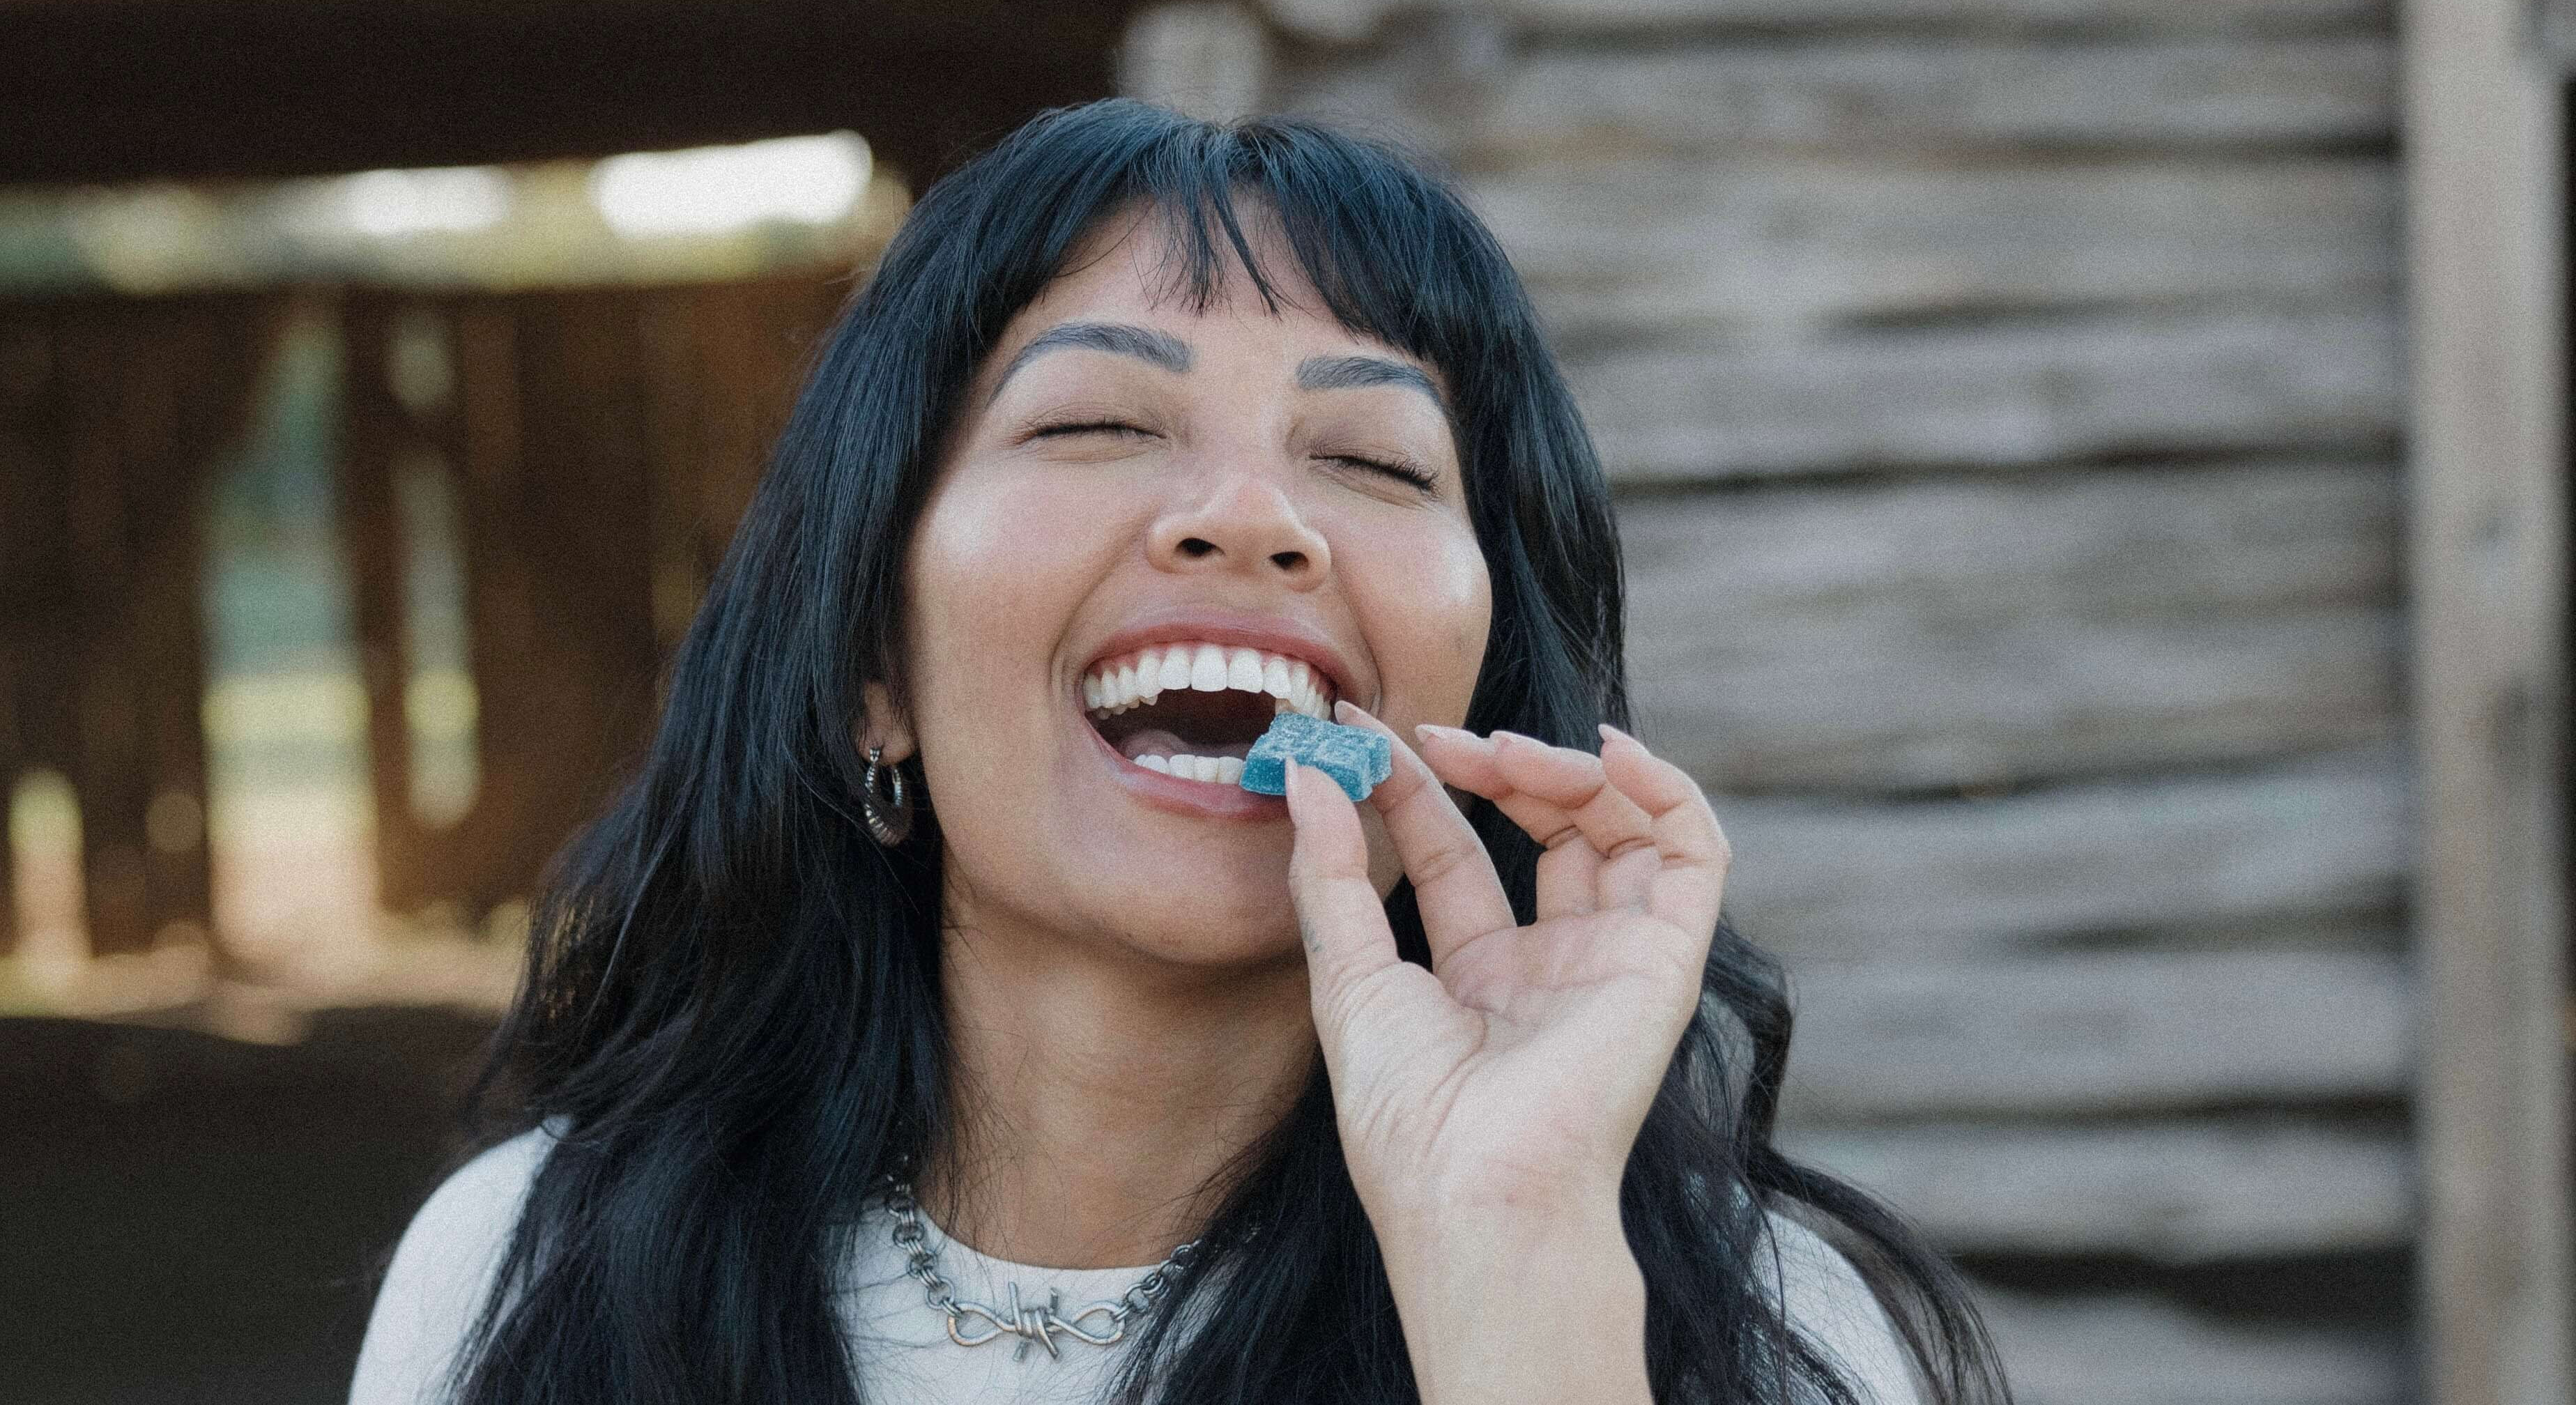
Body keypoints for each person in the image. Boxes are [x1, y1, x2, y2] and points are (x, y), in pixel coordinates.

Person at [348, 100, 2009, 1405]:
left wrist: (1512, 1268)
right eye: (1095, 424)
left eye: (1371, 457)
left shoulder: (1769, 1327)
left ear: (1484, 687)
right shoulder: (525, 1275)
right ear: (874, 676)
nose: (1250, 519)